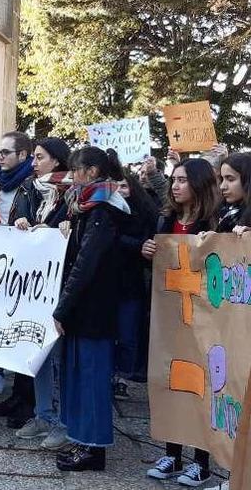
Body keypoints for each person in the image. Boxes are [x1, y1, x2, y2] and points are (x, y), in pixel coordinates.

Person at [142, 158, 222, 486]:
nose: (175, 186)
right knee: (171, 381)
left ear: (200, 184)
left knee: (199, 388)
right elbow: (161, 265)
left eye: (182, 180)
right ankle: (172, 455)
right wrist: (147, 250)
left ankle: (201, 462)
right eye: (173, 179)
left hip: (203, 319)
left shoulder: (215, 223)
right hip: (170, 315)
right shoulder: (167, 219)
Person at [54, 146, 131, 472]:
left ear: (94, 172)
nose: (72, 176)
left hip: (94, 309)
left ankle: (94, 448)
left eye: (77, 169)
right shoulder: (87, 206)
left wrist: (63, 307)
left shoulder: (103, 210)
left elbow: (86, 264)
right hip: (85, 308)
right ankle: (82, 439)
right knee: (80, 376)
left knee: (92, 378)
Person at [10, 137, 73, 449]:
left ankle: (64, 421)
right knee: (40, 353)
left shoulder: (73, 194)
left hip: (60, 287)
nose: (33, 163)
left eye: (39, 157)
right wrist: (20, 221)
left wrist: (66, 231)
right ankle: (43, 414)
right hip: (33, 287)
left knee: (60, 357)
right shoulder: (29, 189)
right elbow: (14, 225)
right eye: (33, 157)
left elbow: (79, 236)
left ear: (57, 161)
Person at [0, 132, 37, 421]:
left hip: (27, 271)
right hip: (4, 266)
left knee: (26, 335)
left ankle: (29, 403)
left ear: (22, 156)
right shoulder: (3, 186)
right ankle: (16, 396)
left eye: (6, 152)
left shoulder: (31, 186)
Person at [111, 158, 159, 399]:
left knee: (128, 336)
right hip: (109, 283)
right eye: (116, 187)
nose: (120, 191)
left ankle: (121, 378)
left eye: (124, 186)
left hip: (132, 285)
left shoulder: (145, 214)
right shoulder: (107, 213)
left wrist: (143, 247)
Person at [214, 152, 251, 235]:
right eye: (222, 179)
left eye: (230, 179)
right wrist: (211, 237)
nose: (222, 186)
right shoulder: (222, 211)